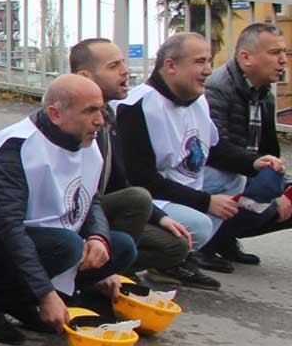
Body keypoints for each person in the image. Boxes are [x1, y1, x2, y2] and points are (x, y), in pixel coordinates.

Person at [0, 74, 134, 342]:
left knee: (120, 246)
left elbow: (89, 196)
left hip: (51, 240)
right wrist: (46, 293)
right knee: (67, 245)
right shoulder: (14, 148)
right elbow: (9, 229)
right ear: (55, 114)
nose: (100, 120)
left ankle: (25, 302)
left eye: (101, 110)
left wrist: (99, 237)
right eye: (90, 111)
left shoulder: (85, 137)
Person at [115, 31, 283, 270]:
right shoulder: (137, 107)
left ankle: (190, 253)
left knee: (234, 178)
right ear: (170, 66)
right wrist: (206, 202)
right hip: (149, 199)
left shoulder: (197, 99)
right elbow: (141, 180)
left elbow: (213, 149)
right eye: (199, 62)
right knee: (201, 225)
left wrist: (255, 163)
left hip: (181, 189)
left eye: (209, 61)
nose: (208, 70)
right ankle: (170, 260)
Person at [68, 38, 212, 291]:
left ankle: (114, 267)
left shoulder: (108, 116)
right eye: (114, 66)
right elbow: (71, 196)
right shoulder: (69, 122)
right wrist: (96, 236)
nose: (125, 71)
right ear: (86, 77)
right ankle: (92, 277)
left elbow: (118, 182)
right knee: (137, 200)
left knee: (175, 244)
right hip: (69, 220)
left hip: (95, 211)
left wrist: (161, 218)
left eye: (123, 63)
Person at [201, 21, 292, 264]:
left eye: (284, 53)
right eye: (275, 53)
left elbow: (269, 150)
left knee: (283, 192)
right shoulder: (217, 89)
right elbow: (215, 150)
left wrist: (282, 187)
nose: (283, 60)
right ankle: (206, 242)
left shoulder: (264, 94)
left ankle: (224, 238)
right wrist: (268, 183)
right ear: (246, 57)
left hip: (246, 174)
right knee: (258, 187)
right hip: (217, 178)